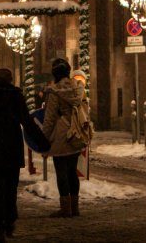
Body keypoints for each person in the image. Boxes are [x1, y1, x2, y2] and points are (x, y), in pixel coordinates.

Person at [0, 68, 49, 243]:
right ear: (10, 80)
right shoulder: (15, 96)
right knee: (10, 187)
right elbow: (27, 122)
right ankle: (10, 217)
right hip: (10, 148)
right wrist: (43, 143)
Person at [41, 58, 86, 218]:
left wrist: (43, 141)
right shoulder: (77, 88)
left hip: (61, 135)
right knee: (72, 171)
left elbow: (50, 118)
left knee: (61, 171)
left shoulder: (54, 92)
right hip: (75, 133)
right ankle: (75, 207)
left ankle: (65, 208)